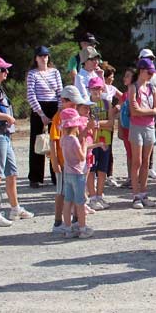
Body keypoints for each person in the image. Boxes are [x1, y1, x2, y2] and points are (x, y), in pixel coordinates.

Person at [0, 55, 33, 225]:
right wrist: (6, 117)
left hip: (5, 135)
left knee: (12, 172)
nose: (6, 72)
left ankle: (15, 208)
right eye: (3, 69)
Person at [48, 85, 91, 232]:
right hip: (63, 162)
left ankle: (74, 220)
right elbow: (53, 140)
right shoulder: (58, 117)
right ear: (63, 101)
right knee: (61, 193)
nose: (74, 106)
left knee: (71, 194)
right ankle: (58, 222)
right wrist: (54, 162)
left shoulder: (73, 116)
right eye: (71, 103)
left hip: (71, 162)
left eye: (75, 104)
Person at [26, 45, 63, 188]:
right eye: (41, 56)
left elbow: (60, 91)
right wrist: (40, 113)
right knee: (37, 142)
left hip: (54, 106)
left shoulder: (55, 72)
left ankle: (56, 173)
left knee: (55, 141)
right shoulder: (32, 74)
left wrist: (59, 111)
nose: (44, 58)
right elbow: (31, 94)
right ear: (36, 58)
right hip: (39, 108)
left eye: (46, 56)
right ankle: (35, 177)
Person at [128, 58, 156, 209]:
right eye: (149, 73)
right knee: (137, 162)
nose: (150, 76)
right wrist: (151, 112)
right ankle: (136, 195)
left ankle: (144, 193)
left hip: (149, 128)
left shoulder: (152, 88)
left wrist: (148, 112)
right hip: (136, 128)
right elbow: (134, 111)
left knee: (146, 162)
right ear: (141, 71)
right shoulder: (133, 88)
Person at [58, 107, 93, 238]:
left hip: (68, 173)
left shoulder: (64, 139)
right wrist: (84, 145)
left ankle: (68, 229)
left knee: (68, 201)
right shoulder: (74, 140)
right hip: (78, 174)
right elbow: (82, 157)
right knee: (80, 202)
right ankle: (83, 228)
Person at [86, 76, 114, 209]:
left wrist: (97, 123)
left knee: (103, 169)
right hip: (91, 142)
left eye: (98, 88)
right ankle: (92, 197)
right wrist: (100, 124)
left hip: (105, 140)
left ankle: (100, 195)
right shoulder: (86, 104)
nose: (96, 91)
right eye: (93, 88)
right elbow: (87, 124)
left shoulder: (107, 103)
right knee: (91, 169)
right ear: (89, 89)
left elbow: (111, 123)